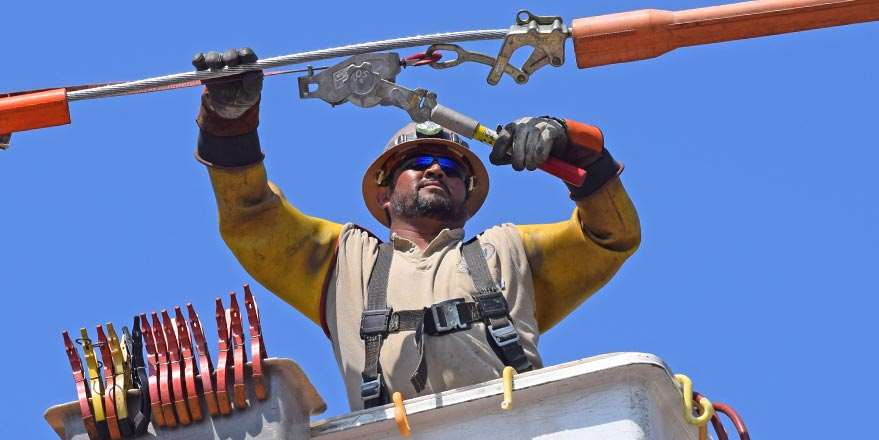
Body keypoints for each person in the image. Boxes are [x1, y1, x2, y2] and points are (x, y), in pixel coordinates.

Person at [193, 48, 641, 410]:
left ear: (467, 194)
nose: (433, 169)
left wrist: (575, 145)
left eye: (448, 165)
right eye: (415, 163)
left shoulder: (507, 252)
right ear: (384, 194)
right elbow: (253, 217)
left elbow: (608, 236)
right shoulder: (345, 263)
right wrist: (229, 124)